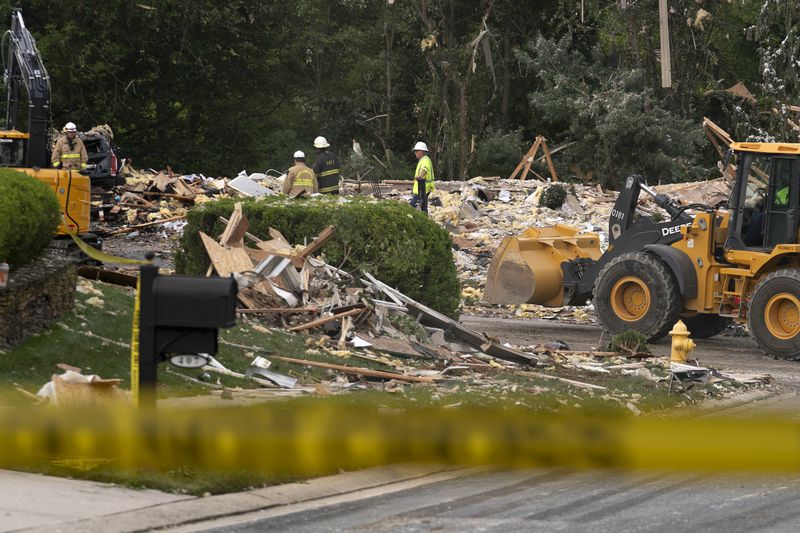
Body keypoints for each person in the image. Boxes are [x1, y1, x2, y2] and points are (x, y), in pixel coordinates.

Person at [409, 141, 435, 213]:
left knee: (411, 206)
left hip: (422, 189)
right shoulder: (423, 160)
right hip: (422, 189)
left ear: (422, 151)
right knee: (423, 207)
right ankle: (425, 219)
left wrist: (420, 176)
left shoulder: (425, 160)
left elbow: (425, 169)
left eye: (416, 151)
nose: (415, 153)